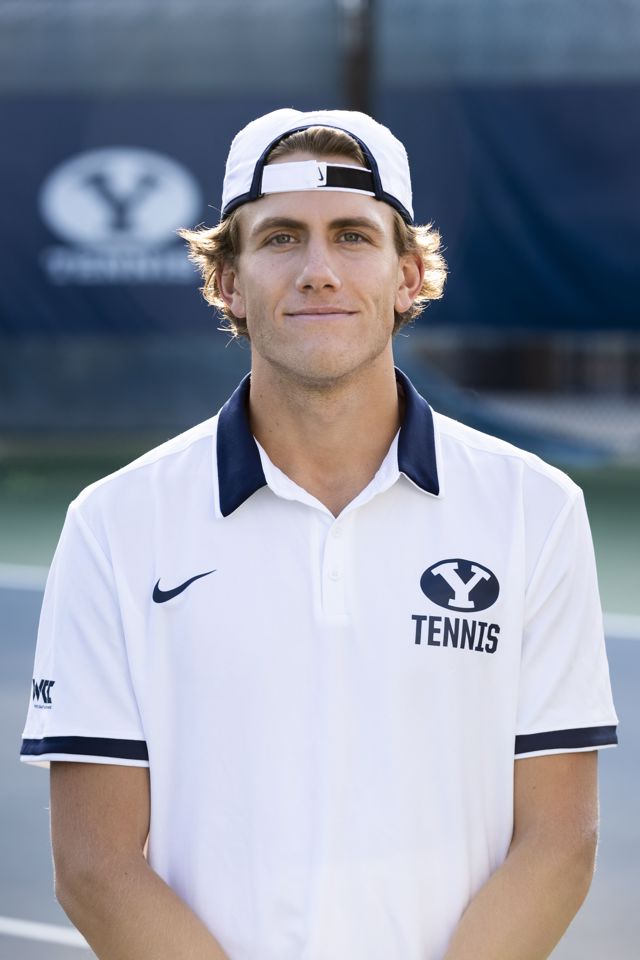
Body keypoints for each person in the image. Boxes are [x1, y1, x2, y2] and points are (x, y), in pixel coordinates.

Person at [21, 108, 618, 960]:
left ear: (409, 276)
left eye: (352, 236)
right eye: (280, 239)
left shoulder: (536, 509)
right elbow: (95, 864)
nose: (318, 271)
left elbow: (558, 842)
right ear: (228, 282)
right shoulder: (113, 524)